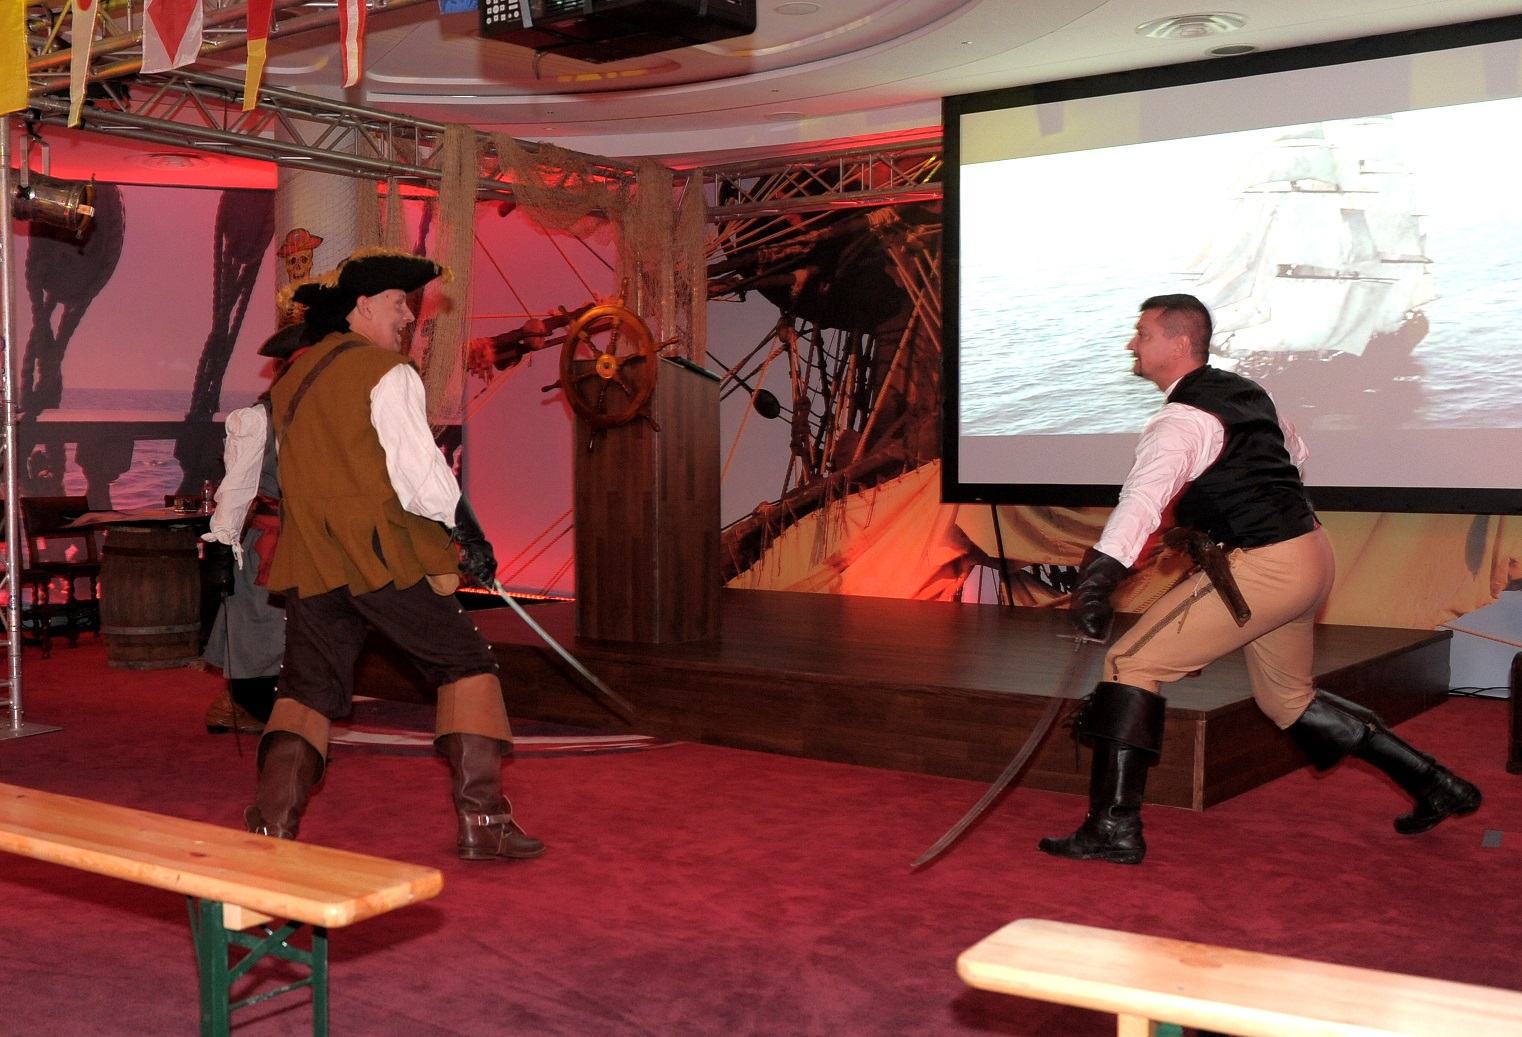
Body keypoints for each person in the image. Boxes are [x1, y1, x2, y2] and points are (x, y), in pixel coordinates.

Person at [1040, 293, 1480, 865]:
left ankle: (1112, 830)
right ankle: (1436, 784)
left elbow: (1140, 504)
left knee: (1130, 664)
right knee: (1288, 698)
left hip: (1266, 567)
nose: (1132, 343)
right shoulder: (1246, 392)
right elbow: (1295, 451)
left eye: (1142, 334)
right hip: (1311, 554)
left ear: (1179, 344)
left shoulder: (1179, 421)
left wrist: (1098, 582)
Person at [245, 248, 542, 861]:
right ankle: (484, 822)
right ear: (362, 305)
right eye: (399, 304)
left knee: (307, 689)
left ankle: (271, 826)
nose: (409, 317)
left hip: (312, 557)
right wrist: (468, 536)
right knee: (466, 664)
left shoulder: (293, 377)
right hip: (378, 554)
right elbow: (421, 477)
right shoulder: (388, 372)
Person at [200, 323, 316, 735]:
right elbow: (237, 492)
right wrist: (223, 544)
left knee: (297, 628)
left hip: (311, 537)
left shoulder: (325, 415)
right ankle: (250, 706)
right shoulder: (257, 420)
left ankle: (253, 706)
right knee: (260, 625)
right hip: (270, 540)